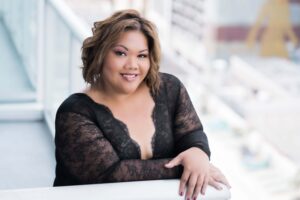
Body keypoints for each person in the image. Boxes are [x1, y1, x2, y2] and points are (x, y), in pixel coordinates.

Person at [53, 9, 230, 200]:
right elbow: (110, 174)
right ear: (100, 54)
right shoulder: (74, 113)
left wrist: (198, 152)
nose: (132, 65)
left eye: (142, 55)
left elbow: (191, 133)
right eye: (121, 53)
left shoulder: (170, 88)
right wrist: (184, 166)